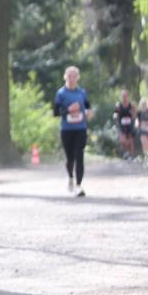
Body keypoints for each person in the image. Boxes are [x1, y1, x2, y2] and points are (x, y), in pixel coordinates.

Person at [53, 66, 93, 197]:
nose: (72, 78)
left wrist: (88, 113)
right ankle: (70, 177)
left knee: (79, 156)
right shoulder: (61, 93)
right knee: (70, 158)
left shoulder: (82, 92)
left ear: (78, 77)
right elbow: (56, 112)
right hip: (67, 130)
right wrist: (69, 109)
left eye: (74, 76)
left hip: (80, 129)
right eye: (69, 76)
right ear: (65, 77)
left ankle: (79, 186)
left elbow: (87, 107)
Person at [113, 89, 137, 160]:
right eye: (123, 96)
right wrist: (115, 116)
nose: (124, 97)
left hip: (129, 125)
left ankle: (131, 155)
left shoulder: (131, 105)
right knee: (123, 140)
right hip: (121, 125)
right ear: (121, 96)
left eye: (126, 96)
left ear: (128, 96)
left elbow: (135, 115)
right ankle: (125, 153)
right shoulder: (118, 105)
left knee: (130, 140)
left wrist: (133, 113)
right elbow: (115, 114)